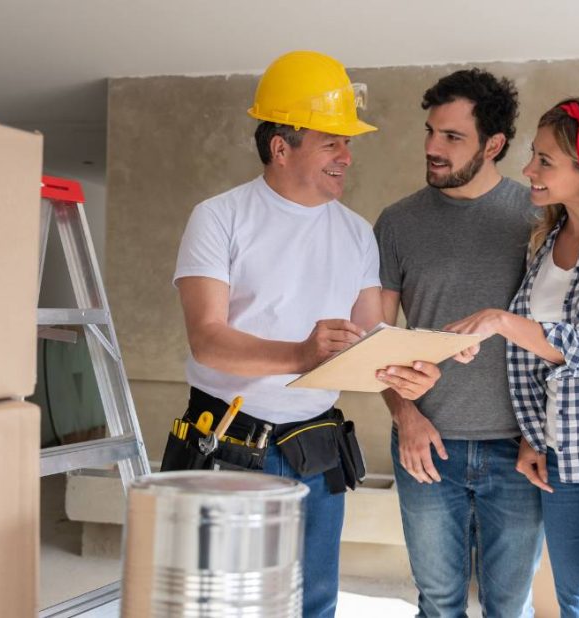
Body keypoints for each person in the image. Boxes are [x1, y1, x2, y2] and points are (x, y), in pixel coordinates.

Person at [374, 69, 579, 617]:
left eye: (544, 159)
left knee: (578, 607)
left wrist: (500, 327)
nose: (530, 170)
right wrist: (529, 433)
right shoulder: (543, 239)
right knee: (550, 603)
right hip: (540, 455)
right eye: (431, 131)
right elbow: (523, 363)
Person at [172, 50, 440, 618]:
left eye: (348, 144)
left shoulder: (355, 234)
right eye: (331, 143)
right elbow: (208, 339)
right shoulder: (220, 218)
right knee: (223, 605)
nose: (347, 157)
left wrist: (411, 367)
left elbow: (371, 339)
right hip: (228, 443)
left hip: (314, 448)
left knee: (313, 604)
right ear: (280, 146)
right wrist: (299, 353)